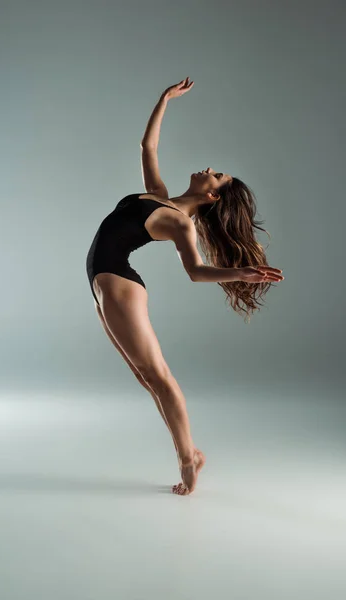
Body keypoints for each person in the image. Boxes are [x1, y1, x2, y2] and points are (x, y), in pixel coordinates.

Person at [85, 78, 284, 495]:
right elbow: (147, 148)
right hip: (105, 283)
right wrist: (164, 101)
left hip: (119, 284)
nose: (209, 169)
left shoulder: (179, 223)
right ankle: (188, 452)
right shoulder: (160, 198)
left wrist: (240, 273)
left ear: (212, 197)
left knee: (158, 376)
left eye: (217, 175)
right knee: (146, 377)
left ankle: (188, 456)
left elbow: (195, 271)